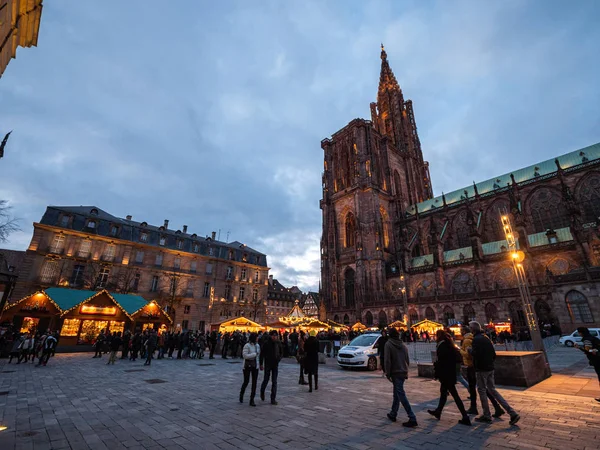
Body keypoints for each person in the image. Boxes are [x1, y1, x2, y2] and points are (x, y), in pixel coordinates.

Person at [469, 321, 520, 425]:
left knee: (482, 391)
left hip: (481, 369)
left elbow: (476, 354)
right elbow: (493, 354)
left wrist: (470, 351)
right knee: (493, 390)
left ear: (473, 329)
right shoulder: (486, 338)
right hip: (490, 368)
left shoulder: (476, 340)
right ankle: (512, 413)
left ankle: (487, 415)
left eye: (470, 328)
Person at [428, 330, 471, 426]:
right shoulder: (449, 344)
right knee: (443, 394)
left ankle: (465, 417)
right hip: (449, 373)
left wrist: (438, 372)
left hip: (446, 374)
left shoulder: (442, 346)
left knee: (454, 395)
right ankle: (438, 412)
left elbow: (442, 361)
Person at [460, 326, 505, 417]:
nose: (460, 332)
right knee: (479, 388)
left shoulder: (467, 340)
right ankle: (495, 407)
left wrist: (460, 351)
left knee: (479, 389)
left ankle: (482, 409)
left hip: (473, 366)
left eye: (461, 331)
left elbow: (469, 355)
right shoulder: (478, 338)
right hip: (478, 366)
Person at [384, 327, 417, 427]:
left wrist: (387, 373)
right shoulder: (403, 345)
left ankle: (412, 417)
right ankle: (393, 413)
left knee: (401, 394)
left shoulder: (388, 344)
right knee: (397, 393)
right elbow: (407, 360)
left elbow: (387, 361)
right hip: (403, 371)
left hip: (395, 372)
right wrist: (406, 369)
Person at [574, 327, 600, 403]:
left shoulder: (587, 340)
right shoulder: (593, 338)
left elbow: (589, 350)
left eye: (579, 332)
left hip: (597, 361)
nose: (579, 334)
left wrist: (579, 347)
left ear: (581, 333)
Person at [260, 330, 283, 405]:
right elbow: (262, 354)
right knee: (266, 379)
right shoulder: (267, 343)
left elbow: (281, 352)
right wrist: (261, 364)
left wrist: (279, 358)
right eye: (273, 335)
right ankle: (262, 391)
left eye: (275, 335)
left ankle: (273, 398)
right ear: (270, 336)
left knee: (274, 381)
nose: (274, 337)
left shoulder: (278, 343)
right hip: (268, 363)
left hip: (275, 364)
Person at [240, 333, 260, 407]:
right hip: (247, 366)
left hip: (255, 366)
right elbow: (245, 356)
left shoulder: (257, 345)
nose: (258, 338)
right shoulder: (247, 345)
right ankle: (241, 394)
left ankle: (252, 399)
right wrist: (254, 354)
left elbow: (259, 356)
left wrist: (260, 364)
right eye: (257, 337)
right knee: (246, 381)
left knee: (254, 383)